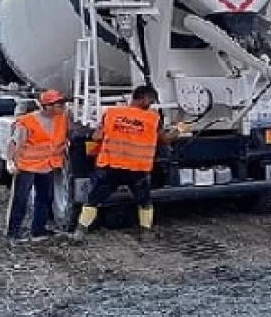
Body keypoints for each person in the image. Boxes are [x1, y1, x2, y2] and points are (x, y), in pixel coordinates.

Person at [70, 85, 185, 244]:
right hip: (137, 169)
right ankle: (146, 233)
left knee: (93, 200)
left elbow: (97, 137)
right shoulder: (152, 118)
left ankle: (80, 231)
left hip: (110, 166)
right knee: (144, 202)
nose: (151, 103)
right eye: (151, 100)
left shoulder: (112, 113)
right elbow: (165, 140)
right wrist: (179, 130)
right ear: (144, 98)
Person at [5, 89, 70, 244]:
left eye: (63, 103)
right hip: (27, 166)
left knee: (45, 198)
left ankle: (38, 231)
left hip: (46, 166)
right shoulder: (28, 122)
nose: (63, 106)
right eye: (59, 104)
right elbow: (14, 143)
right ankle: (13, 233)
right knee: (20, 200)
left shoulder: (62, 117)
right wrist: (10, 162)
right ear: (47, 106)